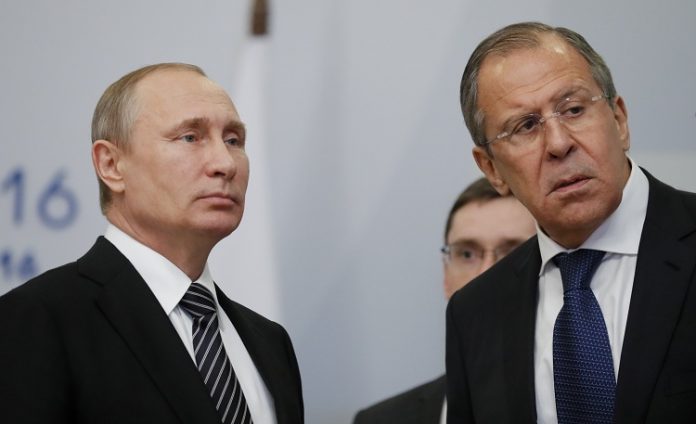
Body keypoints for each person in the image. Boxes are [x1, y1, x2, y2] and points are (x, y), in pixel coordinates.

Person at [0, 63, 303, 424]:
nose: (225, 163)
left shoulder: (271, 343)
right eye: (190, 137)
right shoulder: (35, 320)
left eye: (234, 141)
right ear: (111, 164)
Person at [446, 22, 696, 424]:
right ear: (491, 168)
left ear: (619, 119)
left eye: (574, 109)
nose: (559, 143)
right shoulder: (475, 312)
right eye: (526, 126)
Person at [354, 177, 535, 424]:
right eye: (467, 254)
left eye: (513, 253)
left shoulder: (577, 405)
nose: (486, 274)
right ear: (446, 276)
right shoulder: (378, 421)